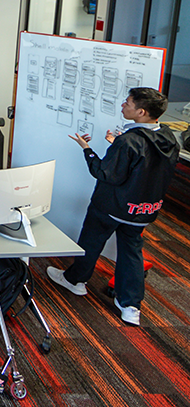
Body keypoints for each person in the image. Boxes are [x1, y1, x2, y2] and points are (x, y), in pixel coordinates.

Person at [47, 87, 180, 326]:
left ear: (141, 111)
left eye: (127, 103)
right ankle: (130, 305)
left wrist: (86, 149)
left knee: (91, 241)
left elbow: (104, 173)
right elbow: (144, 164)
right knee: (131, 253)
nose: (122, 106)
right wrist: (117, 145)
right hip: (142, 211)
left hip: (112, 207)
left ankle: (75, 281)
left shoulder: (129, 141)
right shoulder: (168, 137)